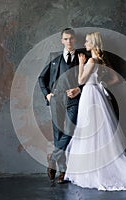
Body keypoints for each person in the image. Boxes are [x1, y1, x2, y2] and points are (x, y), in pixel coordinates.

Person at [64, 32, 126, 191]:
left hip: (90, 96)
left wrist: (81, 64)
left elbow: (81, 81)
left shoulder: (92, 60)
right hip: (97, 95)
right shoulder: (102, 60)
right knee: (100, 131)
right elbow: (115, 79)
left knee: (91, 131)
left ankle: (95, 167)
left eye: (87, 41)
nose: (85, 44)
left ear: (93, 43)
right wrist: (100, 84)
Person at [39, 28, 81, 184]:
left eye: (71, 38)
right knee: (58, 134)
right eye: (66, 39)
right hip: (56, 98)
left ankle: (53, 157)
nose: (69, 41)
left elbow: (88, 79)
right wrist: (47, 94)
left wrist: (79, 89)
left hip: (73, 100)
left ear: (75, 39)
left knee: (70, 130)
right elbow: (41, 78)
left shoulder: (82, 57)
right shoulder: (54, 57)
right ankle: (63, 171)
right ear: (62, 40)